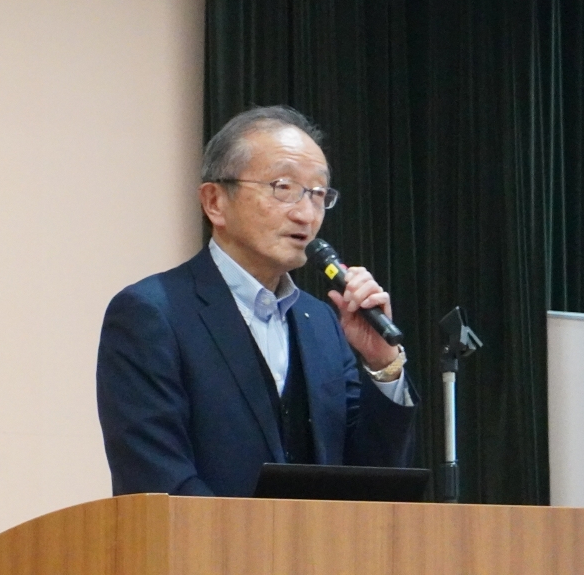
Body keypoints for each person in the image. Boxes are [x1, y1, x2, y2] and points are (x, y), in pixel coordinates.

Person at [96, 106, 417, 497]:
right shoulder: (152, 313)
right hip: (199, 539)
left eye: (318, 194)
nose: (306, 214)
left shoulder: (321, 322)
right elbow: (157, 480)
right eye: (283, 187)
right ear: (215, 202)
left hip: (318, 540)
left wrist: (383, 364)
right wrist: (253, 536)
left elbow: (370, 484)